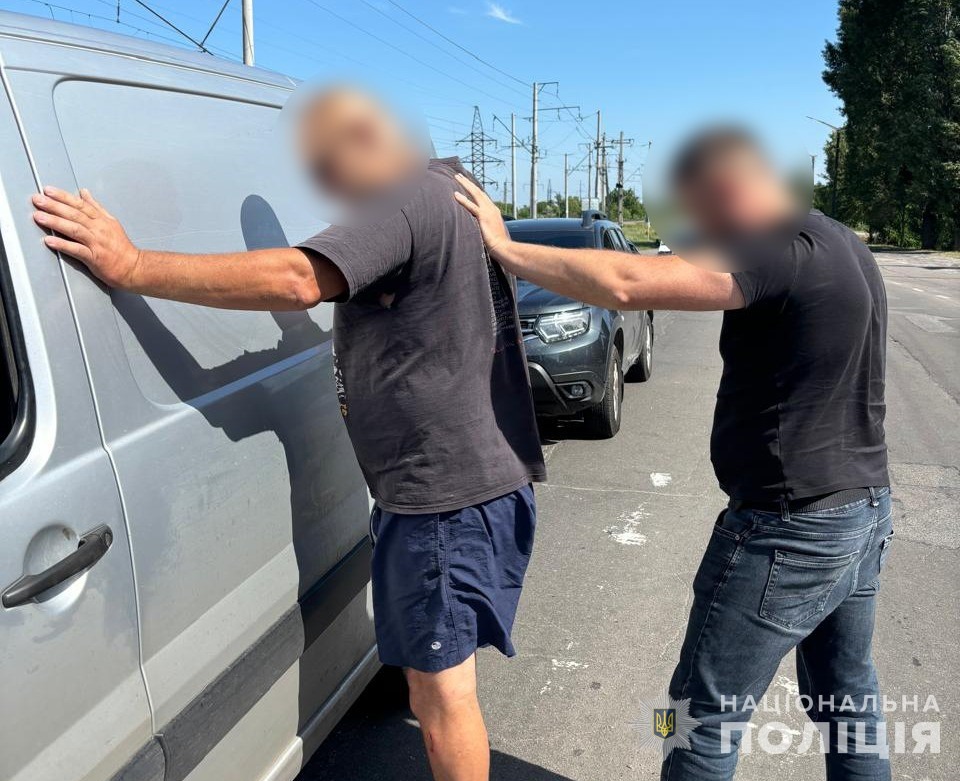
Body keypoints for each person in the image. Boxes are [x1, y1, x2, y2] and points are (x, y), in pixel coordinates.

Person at [32, 87, 545, 781]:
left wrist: (131, 266)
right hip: (463, 486)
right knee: (435, 687)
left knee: (443, 695)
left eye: (326, 168)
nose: (328, 194)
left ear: (367, 141)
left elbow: (297, 278)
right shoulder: (450, 190)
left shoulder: (405, 199)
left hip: (443, 502)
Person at [454, 128, 892, 781]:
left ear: (730, 188)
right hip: (862, 511)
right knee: (847, 701)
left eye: (702, 212)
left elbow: (628, 283)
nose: (703, 231)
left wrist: (506, 247)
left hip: (788, 526)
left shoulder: (778, 248)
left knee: (698, 719)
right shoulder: (839, 240)